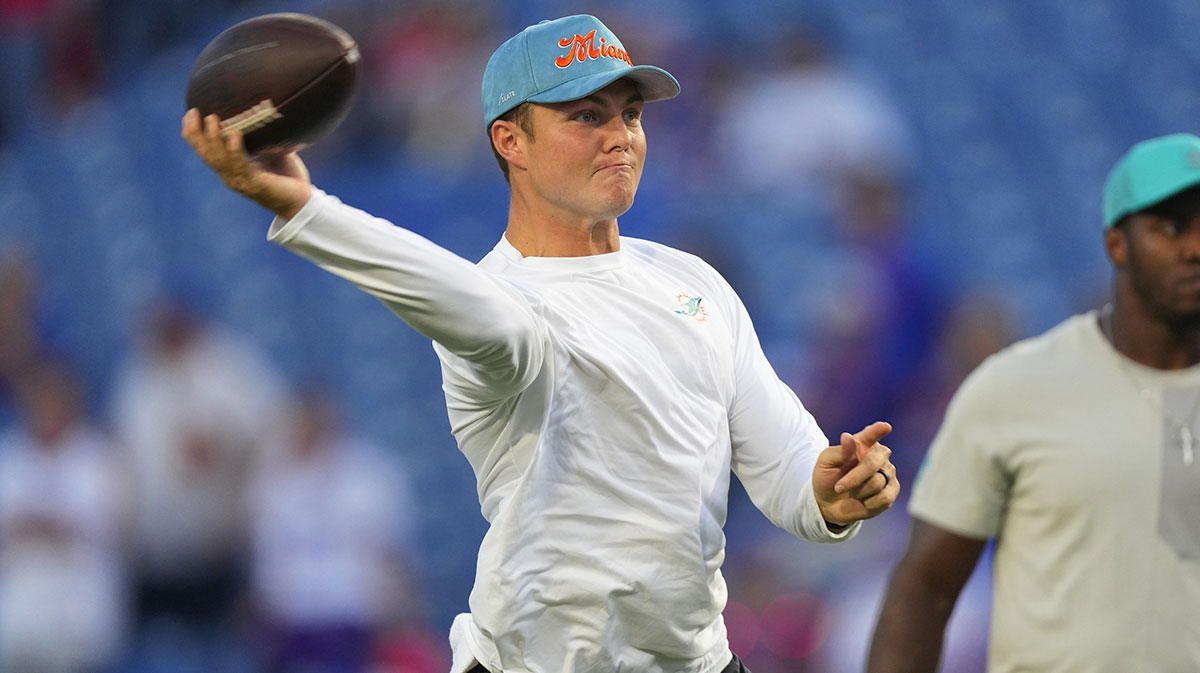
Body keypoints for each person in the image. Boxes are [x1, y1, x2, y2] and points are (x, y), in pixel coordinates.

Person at [182, 14, 900, 673]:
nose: (619, 134)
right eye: (586, 115)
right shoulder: (507, 299)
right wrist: (310, 211)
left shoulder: (696, 282)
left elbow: (785, 469)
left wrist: (833, 489)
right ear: (510, 140)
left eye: (630, 113)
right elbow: (472, 307)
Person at [866, 133, 1200, 672]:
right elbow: (924, 589)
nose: (1195, 247)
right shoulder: (1016, 390)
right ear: (1118, 243)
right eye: (1170, 226)